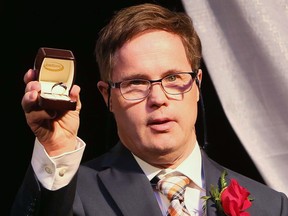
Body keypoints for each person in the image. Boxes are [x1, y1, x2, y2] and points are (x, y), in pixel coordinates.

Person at [11, 3, 288, 216]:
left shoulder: (270, 205)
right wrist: (58, 149)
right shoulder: (71, 195)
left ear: (197, 85)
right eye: (136, 83)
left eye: (173, 78)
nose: (158, 98)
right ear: (107, 96)